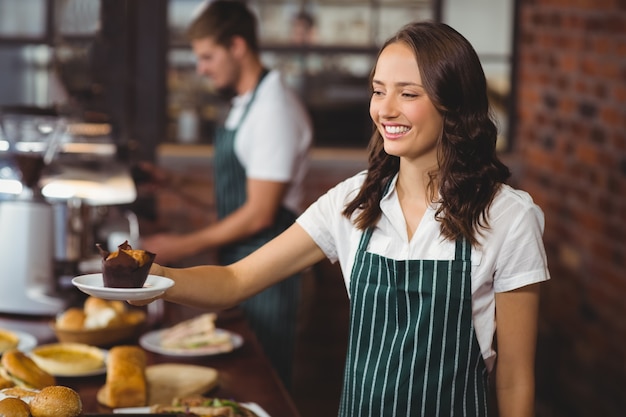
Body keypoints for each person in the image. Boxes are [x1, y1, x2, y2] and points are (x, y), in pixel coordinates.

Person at [135, 21, 549, 416]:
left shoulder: (509, 216)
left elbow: (514, 378)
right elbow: (235, 282)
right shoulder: (353, 202)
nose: (385, 110)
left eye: (408, 94)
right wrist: (150, 279)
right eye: (378, 91)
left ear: (453, 105)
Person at [139, 0, 313, 388]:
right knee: (236, 378)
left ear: (237, 46)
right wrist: (174, 182)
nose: (201, 69)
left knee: (262, 382)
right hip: (239, 265)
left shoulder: (273, 109)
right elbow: (237, 193)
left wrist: (178, 247)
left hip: (272, 270)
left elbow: (259, 212)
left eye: (207, 56)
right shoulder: (244, 104)